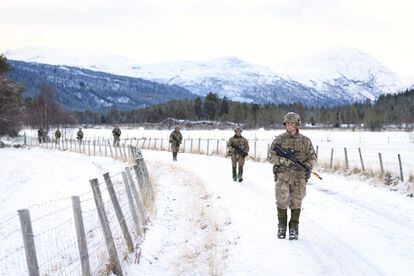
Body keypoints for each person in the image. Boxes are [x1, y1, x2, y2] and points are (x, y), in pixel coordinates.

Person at [267, 112, 317, 240]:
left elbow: (313, 157)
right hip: (283, 176)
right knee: (281, 200)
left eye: (292, 124)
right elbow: (270, 157)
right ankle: (282, 226)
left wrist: (308, 165)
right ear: (285, 124)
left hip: (299, 177)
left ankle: (294, 228)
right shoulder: (279, 140)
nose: (290, 126)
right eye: (288, 123)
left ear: (297, 124)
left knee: (296, 202)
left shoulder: (305, 141)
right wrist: (283, 160)